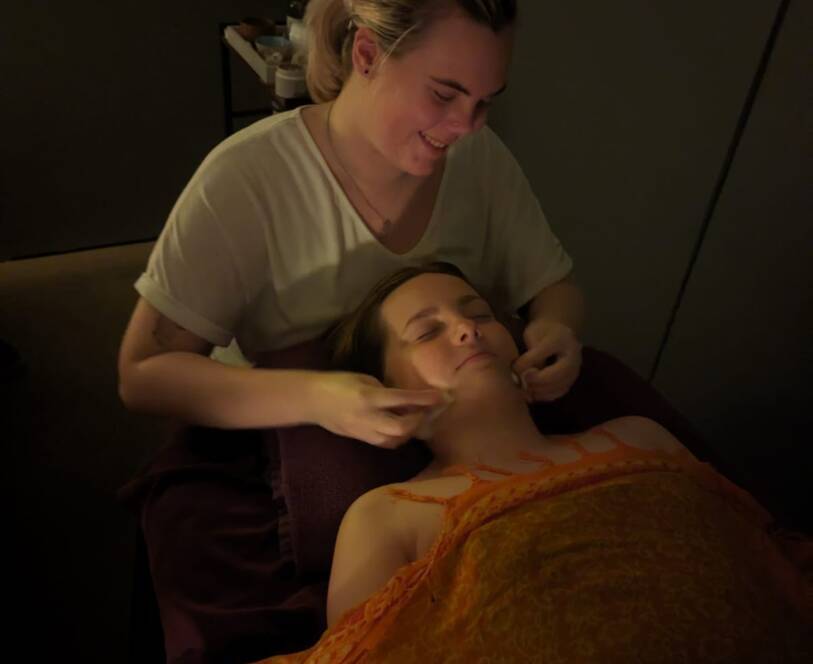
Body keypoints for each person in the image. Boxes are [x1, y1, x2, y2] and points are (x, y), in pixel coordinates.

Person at [118, 1, 584, 660]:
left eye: (485, 102)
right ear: (366, 55)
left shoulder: (479, 159)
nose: (465, 126)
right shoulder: (247, 179)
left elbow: (551, 285)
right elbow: (142, 373)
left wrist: (557, 327)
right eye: (444, 94)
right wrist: (319, 398)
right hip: (295, 424)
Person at [254, 262, 812, 663]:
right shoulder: (388, 514)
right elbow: (359, 653)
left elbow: (762, 561)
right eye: (427, 331)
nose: (468, 328)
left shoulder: (639, 436)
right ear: (386, 389)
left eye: (478, 313)